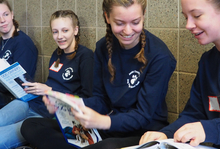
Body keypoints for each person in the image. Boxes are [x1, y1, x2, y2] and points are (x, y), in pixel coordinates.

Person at [20, 0, 176, 149]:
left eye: (135, 22)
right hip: (105, 125)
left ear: (144, 15)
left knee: (104, 146)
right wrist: (68, 103)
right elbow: (101, 100)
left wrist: (103, 122)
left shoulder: (160, 56)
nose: (128, 31)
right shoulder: (103, 47)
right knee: (30, 126)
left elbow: (144, 115)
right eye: (120, 23)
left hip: (141, 131)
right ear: (107, 17)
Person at [139, 0, 220, 149]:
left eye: (196, 15)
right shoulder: (207, 62)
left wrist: (212, 130)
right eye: (186, 17)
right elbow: (194, 114)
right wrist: (165, 134)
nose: (188, 25)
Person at [0, 10, 94, 148]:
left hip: (48, 116)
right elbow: (53, 83)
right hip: (31, 102)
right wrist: (33, 88)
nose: (60, 36)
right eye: (55, 32)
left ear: (75, 30)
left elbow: (88, 100)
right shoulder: (57, 53)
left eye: (65, 30)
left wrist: (49, 90)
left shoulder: (85, 57)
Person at [0, 0, 38, 108]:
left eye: (5, 14)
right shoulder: (2, 42)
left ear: (12, 14)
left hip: (16, 100)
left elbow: (21, 84)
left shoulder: (23, 42)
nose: (2, 20)